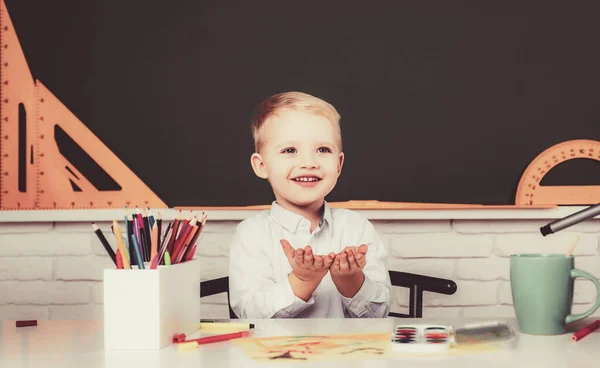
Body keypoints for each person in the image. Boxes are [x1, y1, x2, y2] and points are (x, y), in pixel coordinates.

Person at [229, 91, 391, 318]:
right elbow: (250, 313)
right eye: (290, 150)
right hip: (275, 352)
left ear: (339, 164)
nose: (308, 163)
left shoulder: (356, 227)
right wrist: (302, 281)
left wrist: (351, 279)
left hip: (348, 352)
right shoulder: (251, 234)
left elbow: (379, 314)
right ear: (261, 165)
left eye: (323, 150)